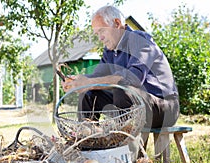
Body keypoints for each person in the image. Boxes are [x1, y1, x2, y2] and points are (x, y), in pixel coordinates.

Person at [61, 5, 179, 153]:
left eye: (102, 31)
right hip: (136, 105)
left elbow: (133, 78)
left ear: (117, 24)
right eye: (97, 34)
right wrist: (79, 81)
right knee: (89, 94)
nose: (100, 38)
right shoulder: (110, 50)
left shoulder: (140, 40)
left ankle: (127, 154)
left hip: (164, 106)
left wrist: (89, 82)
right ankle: (87, 149)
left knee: (124, 90)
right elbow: (96, 78)